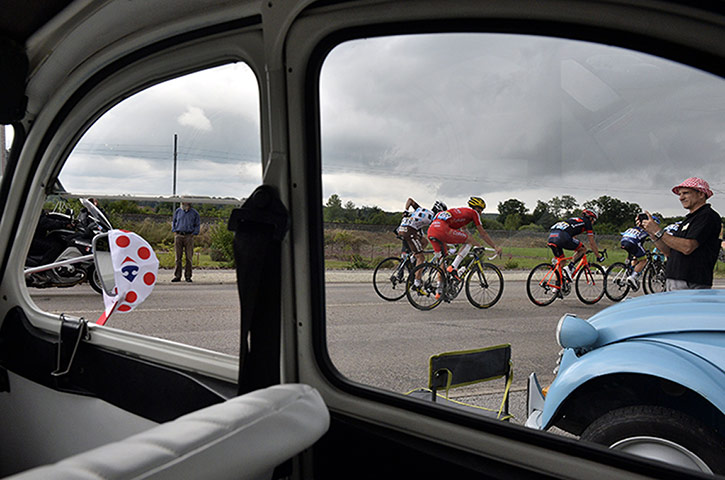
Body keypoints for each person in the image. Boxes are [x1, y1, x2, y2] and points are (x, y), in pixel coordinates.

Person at [640, 177, 722, 291]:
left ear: (701, 194)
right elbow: (669, 252)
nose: (681, 197)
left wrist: (658, 231)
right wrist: (652, 233)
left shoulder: (707, 216)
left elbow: (687, 247)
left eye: (686, 193)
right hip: (676, 279)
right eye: (680, 194)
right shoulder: (689, 219)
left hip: (691, 281)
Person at [426, 196, 503, 296]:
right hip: (443, 230)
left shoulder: (462, 213)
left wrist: (476, 244)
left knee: (443, 260)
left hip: (431, 230)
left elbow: (465, 232)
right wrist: (494, 247)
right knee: (469, 242)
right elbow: (482, 233)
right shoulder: (473, 213)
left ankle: (439, 291)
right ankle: (453, 267)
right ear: (477, 208)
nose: (481, 213)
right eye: (481, 210)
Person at [396, 198, 447, 291]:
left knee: (424, 242)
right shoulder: (433, 218)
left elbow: (410, 200)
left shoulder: (421, 209)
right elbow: (436, 233)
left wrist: (406, 211)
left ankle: (413, 256)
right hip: (410, 231)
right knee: (421, 258)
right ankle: (417, 282)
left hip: (401, 229)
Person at [547, 208, 604, 281]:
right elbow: (592, 242)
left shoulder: (574, 220)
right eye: (594, 220)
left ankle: (557, 287)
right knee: (583, 249)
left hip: (551, 237)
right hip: (562, 236)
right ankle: (569, 268)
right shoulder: (587, 222)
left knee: (561, 262)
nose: (593, 222)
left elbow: (573, 237)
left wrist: (576, 250)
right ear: (590, 218)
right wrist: (598, 256)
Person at [619, 215, 660, 290]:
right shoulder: (646, 229)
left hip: (624, 240)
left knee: (636, 256)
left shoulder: (635, 228)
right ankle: (633, 276)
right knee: (644, 259)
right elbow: (654, 238)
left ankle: (631, 271)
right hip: (633, 242)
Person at [171, 202, 201, 283]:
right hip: (178, 235)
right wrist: (174, 230)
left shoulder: (194, 213)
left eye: (184, 203)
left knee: (189, 257)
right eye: (182, 203)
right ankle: (177, 276)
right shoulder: (178, 211)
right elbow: (173, 221)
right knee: (178, 257)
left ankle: (188, 276)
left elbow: (197, 224)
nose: (183, 204)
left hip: (189, 236)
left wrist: (194, 233)